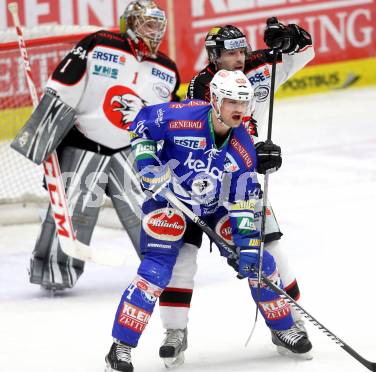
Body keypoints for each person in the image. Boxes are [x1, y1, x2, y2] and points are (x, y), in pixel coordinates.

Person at [105, 69, 312, 372]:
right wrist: (148, 165)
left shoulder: (243, 147)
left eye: (244, 101)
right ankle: (120, 348)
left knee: (262, 263)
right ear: (215, 99)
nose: (239, 109)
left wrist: (246, 246)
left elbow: (242, 200)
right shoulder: (182, 115)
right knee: (155, 272)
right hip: (168, 201)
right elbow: (142, 126)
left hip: (213, 208)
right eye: (231, 101)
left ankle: (282, 329)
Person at [157, 18, 315, 364]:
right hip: (198, 183)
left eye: (241, 49)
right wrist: (257, 150)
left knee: (270, 247)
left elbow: (305, 52)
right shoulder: (203, 86)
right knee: (182, 258)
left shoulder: (261, 65)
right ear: (214, 56)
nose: (239, 57)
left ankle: (288, 322)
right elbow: (215, 137)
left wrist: (290, 37)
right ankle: (175, 331)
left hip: (242, 180)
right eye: (230, 53)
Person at [29, 0, 180, 290]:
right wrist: (44, 132)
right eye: (149, 24)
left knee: (147, 209)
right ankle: (53, 273)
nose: (155, 32)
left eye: (159, 25)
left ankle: (162, 266)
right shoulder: (100, 44)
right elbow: (63, 83)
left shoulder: (166, 68)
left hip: (133, 150)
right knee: (74, 210)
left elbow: (167, 116)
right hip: (86, 143)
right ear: (132, 24)